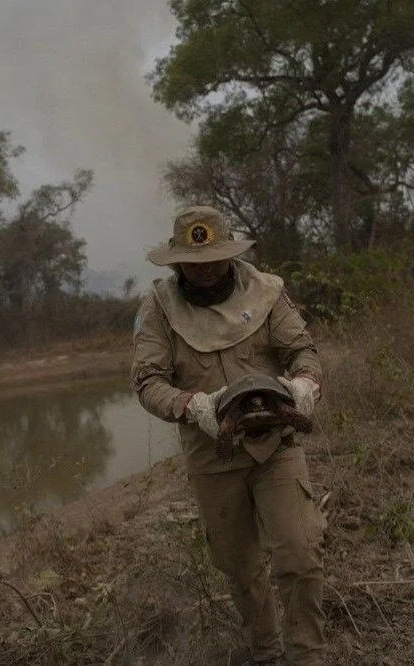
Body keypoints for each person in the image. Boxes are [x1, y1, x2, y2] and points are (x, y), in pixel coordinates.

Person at [131, 206, 326, 665]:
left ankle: (308, 656)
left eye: (215, 258)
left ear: (231, 252)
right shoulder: (158, 307)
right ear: (176, 261)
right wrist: (190, 405)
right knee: (239, 567)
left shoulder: (267, 291)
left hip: (276, 443)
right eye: (194, 262)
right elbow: (147, 381)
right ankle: (265, 652)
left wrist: (303, 384)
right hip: (212, 452)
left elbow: (303, 351)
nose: (205, 270)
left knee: (299, 553)